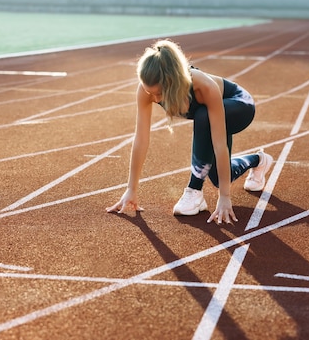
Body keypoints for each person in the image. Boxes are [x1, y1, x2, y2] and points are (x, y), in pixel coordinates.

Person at [106, 39, 273, 225]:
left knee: (203, 115)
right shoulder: (147, 90)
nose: (154, 98)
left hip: (240, 107)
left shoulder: (203, 86)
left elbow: (219, 145)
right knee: (218, 178)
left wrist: (224, 197)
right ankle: (259, 160)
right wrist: (131, 189)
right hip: (211, 118)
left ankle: (194, 192)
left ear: (173, 83)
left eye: (159, 94)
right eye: (149, 92)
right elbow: (141, 139)